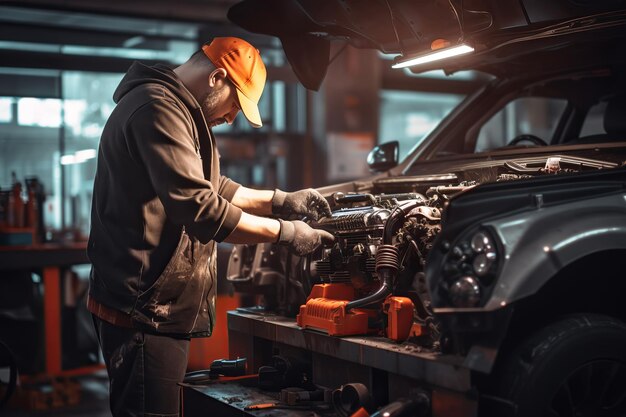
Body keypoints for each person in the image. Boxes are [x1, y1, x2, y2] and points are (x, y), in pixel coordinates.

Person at [87, 37, 334, 417]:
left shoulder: (178, 110)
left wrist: (280, 200)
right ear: (217, 77)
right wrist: (287, 232)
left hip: (153, 307)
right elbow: (202, 210)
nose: (233, 117)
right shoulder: (158, 108)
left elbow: (214, 187)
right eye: (236, 104)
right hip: (143, 311)